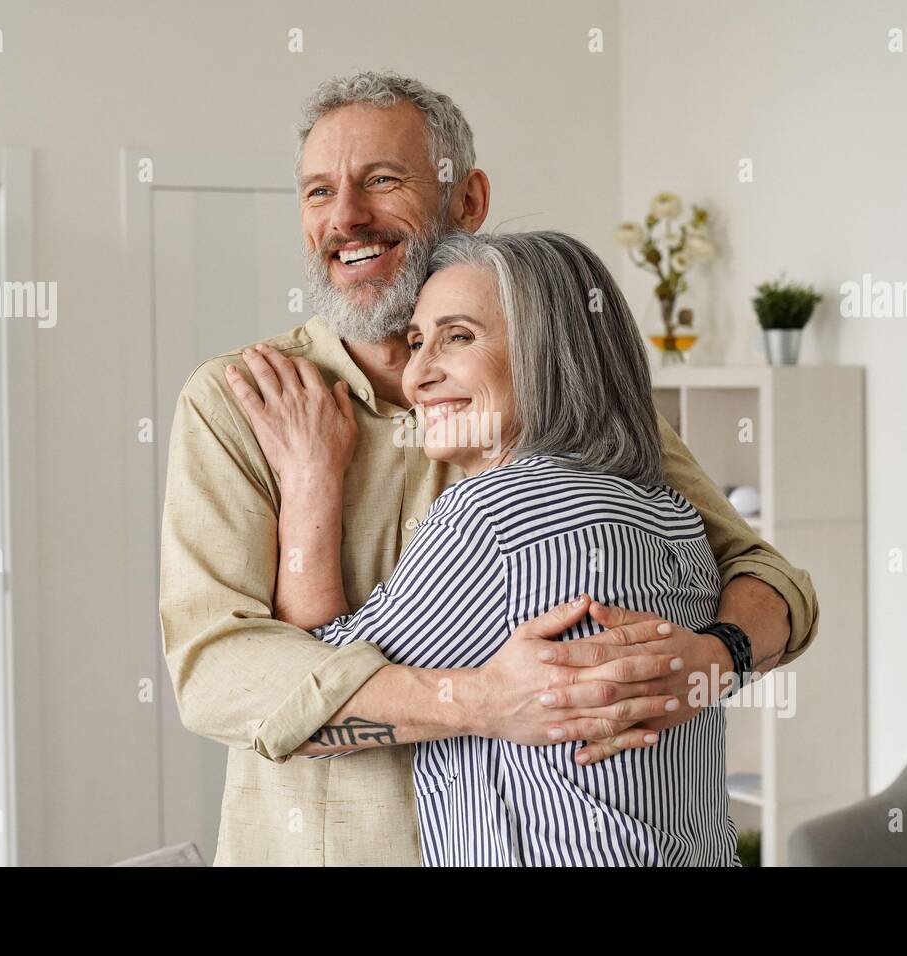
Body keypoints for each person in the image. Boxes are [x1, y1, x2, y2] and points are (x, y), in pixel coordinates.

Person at [159, 70, 819, 866]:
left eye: (381, 180)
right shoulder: (238, 403)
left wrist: (715, 660)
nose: (345, 218)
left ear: (467, 200)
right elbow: (218, 673)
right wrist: (480, 701)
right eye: (316, 192)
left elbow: (767, 577)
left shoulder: (569, 407)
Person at [230, 230, 741, 865]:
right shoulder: (675, 515)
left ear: (547, 356)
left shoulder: (496, 515)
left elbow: (312, 698)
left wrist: (311, 476)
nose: (418, 375)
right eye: (417, 341)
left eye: (460, 337)